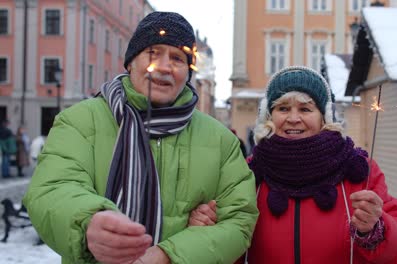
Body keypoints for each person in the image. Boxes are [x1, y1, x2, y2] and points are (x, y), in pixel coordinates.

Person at [23, 11, 258, 264]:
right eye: (153, 53)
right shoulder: (79, 121)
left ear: (188, 72)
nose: (165, 67)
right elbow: (53, 189)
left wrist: (170, 255)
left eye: (178, 58)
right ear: (131, 61)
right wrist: (88, 222)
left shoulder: (221, 140)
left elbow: (239, 218)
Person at [189, 66, 397, 263]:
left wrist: (378, 230)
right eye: (283, 108)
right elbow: (231, 254)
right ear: (269, 116)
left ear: (324, 117)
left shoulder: (358, 171)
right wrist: (210, 231)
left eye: (305, 109)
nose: (293, 118)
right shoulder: (246, 174)